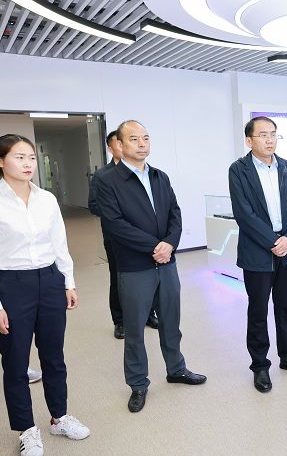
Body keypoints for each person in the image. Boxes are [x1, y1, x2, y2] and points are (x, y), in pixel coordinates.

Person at [0, 134, 90, 456]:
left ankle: (59, 417)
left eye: (31, 157)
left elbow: (60, 244)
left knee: (53, 356)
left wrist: (68, 282)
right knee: (16, 362)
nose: (28, 163)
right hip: (11, 282)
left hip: (50, 280)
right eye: (19, 157)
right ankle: (26, 429)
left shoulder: (46, 199)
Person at [95, 120, 206, 413]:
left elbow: (175, 214)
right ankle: (138, 384)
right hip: (134, 267)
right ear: (120, 145)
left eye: (145, 138)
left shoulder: (160, 176)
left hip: (167, 263)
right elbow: (115, 224)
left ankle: (176, 369)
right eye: (134, 139)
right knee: (135, 329)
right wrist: (154, 247)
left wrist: (169, 244)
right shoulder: (108, 180)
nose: (142, 143)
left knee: (171, 321)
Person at [228, 117, 287, 393]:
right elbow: (244, 214)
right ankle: (260, 365)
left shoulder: (286, 167)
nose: (270, 140)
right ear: (249, 140)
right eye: (263, 135)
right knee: (258, 310)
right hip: (258, 251)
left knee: (285, 307)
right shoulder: (239, 170)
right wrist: (273, 241)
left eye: (273, 134)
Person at [88, 130, 159, 339]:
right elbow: (93, 205)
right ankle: (120, 320)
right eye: (120, 143)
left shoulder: (145, 173)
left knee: (149, 275)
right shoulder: (103, 176)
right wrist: (118, 213)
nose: (136, 144)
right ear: (112, 147)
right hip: (116, 238)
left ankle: (149, 314)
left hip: (145, 237)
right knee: (118, 278)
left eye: (143, 139)